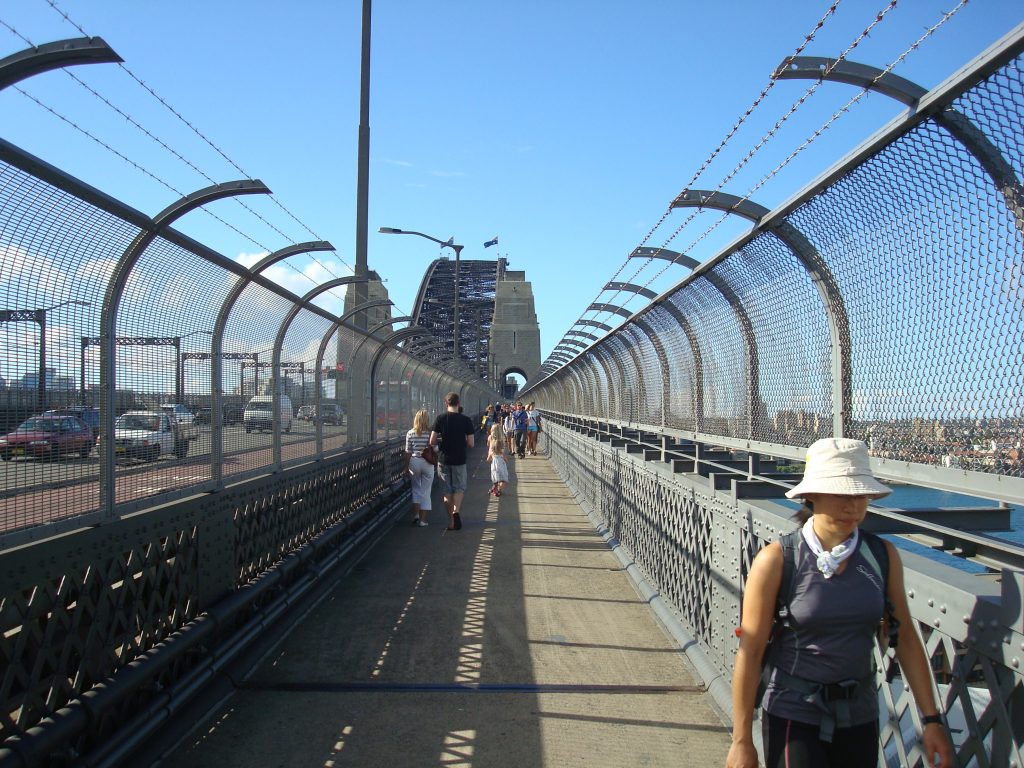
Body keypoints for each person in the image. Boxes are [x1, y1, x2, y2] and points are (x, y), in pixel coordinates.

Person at [727, 438, 953, 768]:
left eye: (861, 494)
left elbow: (904, 639)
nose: (854, 506)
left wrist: (931, 721)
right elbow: (750, 651)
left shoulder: (881, 557)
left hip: (860, 716)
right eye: (842, 494)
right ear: (812, 495)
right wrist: (741, 740)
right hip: (794, 715)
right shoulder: (777, 560)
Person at [429, 392, 475, 531]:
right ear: (458, 403)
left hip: (444, 459)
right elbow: (472, 444)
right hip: (460, 458)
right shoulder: (466, 420)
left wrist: (443, 440)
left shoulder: (440, 419)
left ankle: (450, 521)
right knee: (459, 488)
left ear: (446, 403)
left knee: (446, 490)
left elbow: (432, 441)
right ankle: (456, 512)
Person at [404, 409, 435, 527]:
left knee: (416, 488)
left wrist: (406, 467)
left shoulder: (410, 433)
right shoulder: (430, 433)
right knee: (426, 491)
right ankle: (423, 520)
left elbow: (407, 452)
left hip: (414, 462)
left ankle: (416, 515)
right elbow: (435, 449)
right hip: (427, 463)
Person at [486, 424, 509, 496]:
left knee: (495, 476)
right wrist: (506, 459)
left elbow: (488, 445)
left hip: (493, 460)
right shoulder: (502, 439)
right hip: (501, 460)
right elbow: (502, 452)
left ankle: (494, 488)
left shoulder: (490, 437)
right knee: (503, 479)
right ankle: (498, 490)